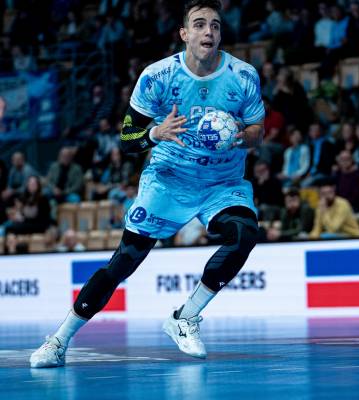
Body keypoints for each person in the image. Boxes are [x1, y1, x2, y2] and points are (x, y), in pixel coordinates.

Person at [30, 0, 265, 368]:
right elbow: (127, 140)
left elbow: (257, 131)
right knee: (123, 263)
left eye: (215, 25)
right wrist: (156, 132)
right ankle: (58, 340)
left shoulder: (243, 75)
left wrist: (241, 135)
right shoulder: (157, 77)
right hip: (168, 179)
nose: (208, 31)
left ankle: (185, 317)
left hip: (221, 182)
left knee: (245, 234)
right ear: (184, 33)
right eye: (199, 24)